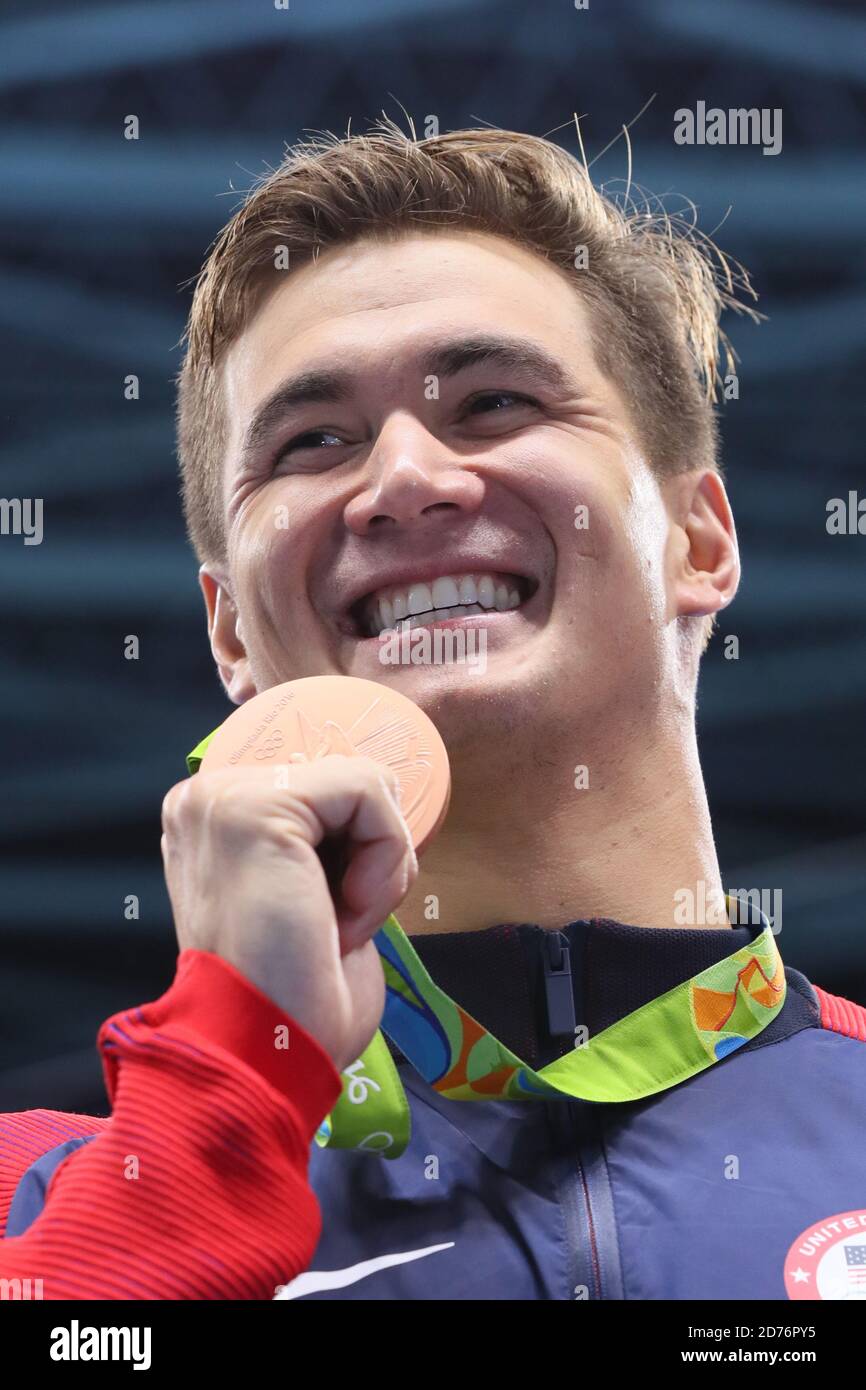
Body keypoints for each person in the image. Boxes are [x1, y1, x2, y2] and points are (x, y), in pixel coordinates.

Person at [2, 122, 864, 1301]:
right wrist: (226, 1068)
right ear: (228, 631)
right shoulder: (38, 1196)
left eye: (495, 402)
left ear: (699, 540)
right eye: (313, 441)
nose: (403, 478)